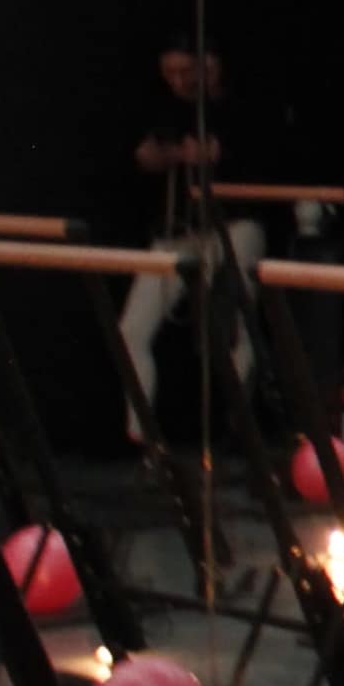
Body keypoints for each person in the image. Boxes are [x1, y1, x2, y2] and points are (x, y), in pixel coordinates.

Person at [120, 42, 263, 442]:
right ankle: (143, 440)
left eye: (187, 71)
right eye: (170, 73)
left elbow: (225, 150)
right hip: (177, 232)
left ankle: (238, 426)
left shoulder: (237, 106)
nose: (179, 81)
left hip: (233, 225)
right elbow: (146, 153)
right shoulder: (166, 108)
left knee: (236, 325)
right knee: (132, 328)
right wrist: (173, 155)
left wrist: (195, 154)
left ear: (212, 66)